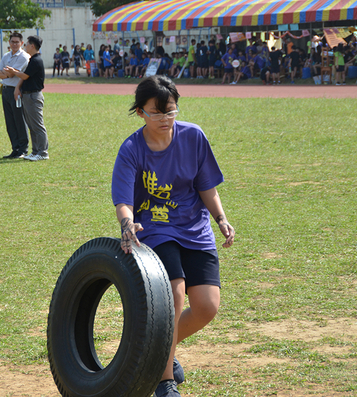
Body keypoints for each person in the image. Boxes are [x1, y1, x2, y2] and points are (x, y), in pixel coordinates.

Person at [112, 75, 235, 397]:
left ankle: (162, 348)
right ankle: (163, 381)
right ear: (141, 112)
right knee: (174, 292)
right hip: (154, 225)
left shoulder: (193, 137)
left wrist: (220, 218)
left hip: (194, 227)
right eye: (157, 113)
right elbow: (123, 200)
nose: (165, 119)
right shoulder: (131, 149)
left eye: (171, 112)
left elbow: (206, 186)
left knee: (207, 306)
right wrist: (128, 226)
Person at [6, 35, 49, 162]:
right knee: (32, 125)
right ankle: (36, 151)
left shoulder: (36, 60)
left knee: (38, 125)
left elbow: (24, 76)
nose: (25, 47)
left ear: (32, 46)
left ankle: (43, 152)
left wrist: (13, 71)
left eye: (27, 44)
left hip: (34, 96)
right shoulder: (32, 59)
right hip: (28, 95)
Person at [0, 32, 30, 159]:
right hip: (5, 90)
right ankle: (15, 148)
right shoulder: (6, 55)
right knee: (9, 121)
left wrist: (6, 73)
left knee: (19, 120)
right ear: (9, 43)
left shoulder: (24, 56)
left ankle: (23, 149)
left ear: (22, 43)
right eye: (12, 41)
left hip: (16, 91)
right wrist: (7, 73)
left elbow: (11, 74)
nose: (14, 44)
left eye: (17, 42)